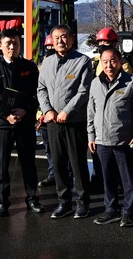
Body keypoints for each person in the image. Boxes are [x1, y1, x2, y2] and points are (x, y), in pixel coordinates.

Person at [0, 29, 43, 217]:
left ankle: (32, 198)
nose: (12, 46)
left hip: (24, 122)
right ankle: (2, 202)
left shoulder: (29, 67)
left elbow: (37, 92)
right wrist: (5, 115)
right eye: (8, 43)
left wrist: (25, 110)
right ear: (0, 46)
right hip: (1, 124)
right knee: (1, 166)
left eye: (15, 43)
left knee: (28, 163)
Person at [38, 24, 94, 219]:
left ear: (71, 38)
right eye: (56, 38)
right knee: (58, 163)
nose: (60, 41)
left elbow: (84, 91)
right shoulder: (47, 62)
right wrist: (47, 110)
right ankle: (64, 202)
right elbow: (41, 88)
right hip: (53, 122)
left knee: (77, 163)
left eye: (64, 37)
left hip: (74, 121)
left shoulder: (82, 61)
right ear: (52, 41)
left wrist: (66, 111)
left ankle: (83, 202)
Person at [87, 47, 133, 227]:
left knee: (127, 180)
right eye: (105, 61)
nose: (109, 65)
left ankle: (129, 211)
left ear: (120, 61)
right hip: (102, 140)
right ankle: (111, 209)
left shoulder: (131, 82)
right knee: (107, 179)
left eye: (113, 61)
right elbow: (91, 112)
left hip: (123, 139)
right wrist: (91, 136)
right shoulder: (95, 83)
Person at [38, 33, 57, 188]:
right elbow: (39, 90)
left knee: (64, 150)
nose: (50, 49)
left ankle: (68, 174)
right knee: (49, 148)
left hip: (60, 115)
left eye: (52, 47)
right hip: (44, 115)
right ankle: (52, 174)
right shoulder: (40, 67)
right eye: (48, 47)